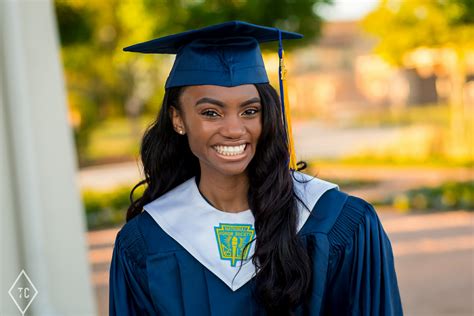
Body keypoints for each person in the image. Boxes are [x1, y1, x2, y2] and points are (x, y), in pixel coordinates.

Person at [109, 21, 403, 315]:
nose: (234, 130)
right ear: (178, 120)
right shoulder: (147, 240)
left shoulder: (337, 221)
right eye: (211, 113)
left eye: (250, 111)